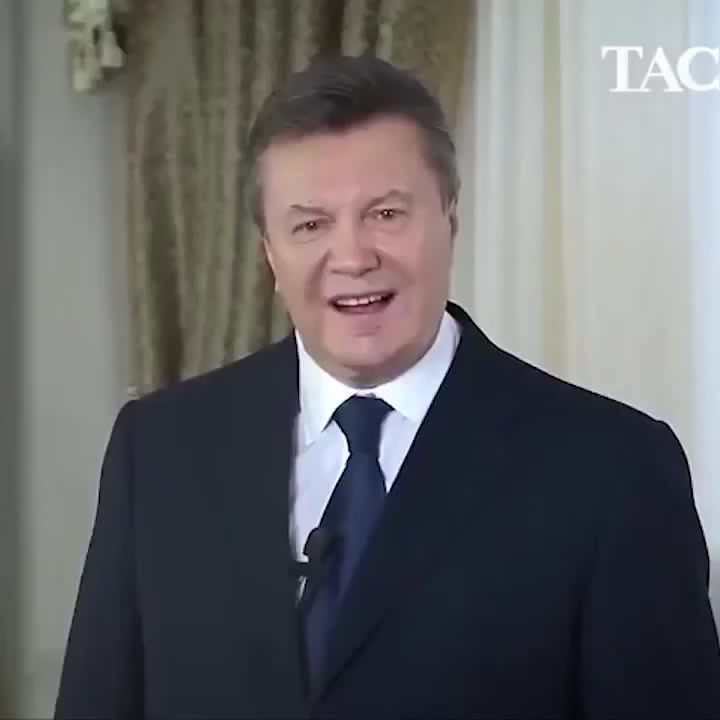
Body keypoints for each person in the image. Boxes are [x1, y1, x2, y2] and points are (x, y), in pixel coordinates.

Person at [55, 53, 720, 719]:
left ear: (450, 221)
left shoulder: (612, 469)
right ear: (269, 254)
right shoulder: (160, 450)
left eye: (386, 214)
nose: (352, 257)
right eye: (310, 225)